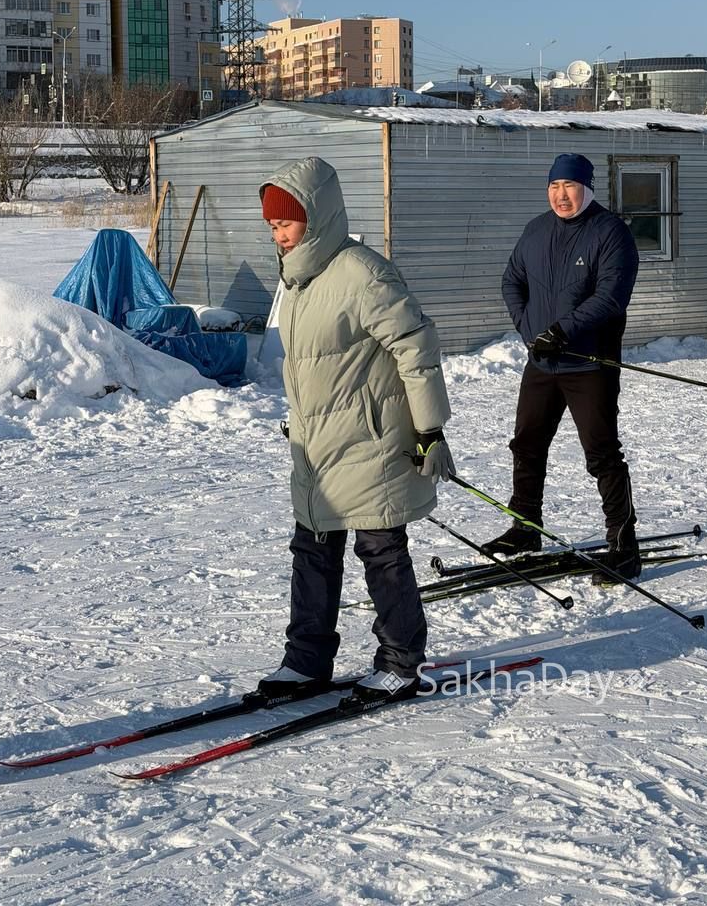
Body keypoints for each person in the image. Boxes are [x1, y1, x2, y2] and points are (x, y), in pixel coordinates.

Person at [256, 156, 456, 706]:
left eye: (286, 223)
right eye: (272, 225)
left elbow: (416, 347)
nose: (278, 234)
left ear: (316, 217)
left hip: (372, 442)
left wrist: (429, 429)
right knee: (312, 549)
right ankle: (306, 661)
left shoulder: (363, 274)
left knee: (380, 550)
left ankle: (400, 662)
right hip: (317, 446)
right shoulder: (299, 279)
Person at [483, 153, 641, 584]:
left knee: (602, 453)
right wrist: (529, 329)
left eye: (570, 186)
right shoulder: (536, 230)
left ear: (586, 188)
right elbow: (512, 281)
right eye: (554, 186)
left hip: (589, 363)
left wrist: (562, 331)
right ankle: (525, 527)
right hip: (542, 360)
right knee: (527, 445)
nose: (561, 195)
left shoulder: (610, 232)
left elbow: (611, 297)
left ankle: (623, 545)